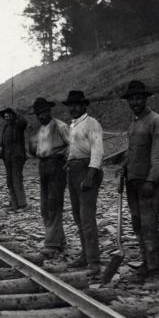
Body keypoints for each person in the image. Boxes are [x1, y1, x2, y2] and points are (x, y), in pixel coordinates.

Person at [118, 81, 159, 286]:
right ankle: (146, 263)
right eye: (132, 99)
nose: (135, 102)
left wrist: (151, 180)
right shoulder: (134, 123)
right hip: (133, 182)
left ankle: (155, 270)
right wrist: (124, 167)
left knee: (149, 225)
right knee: (138, 225)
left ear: (145, 99)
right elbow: (134, 152)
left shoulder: (156, 121)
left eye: (139, 98)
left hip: (149, 183)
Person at [63, 91, 104, 275]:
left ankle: (94, 262)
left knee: (87, 218)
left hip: (87, 171)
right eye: (70, 105)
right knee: (78, 216)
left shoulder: (91, 123)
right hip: (74, 171)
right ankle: (85, 255)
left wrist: (90, 175)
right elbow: (76, 149)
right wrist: (69, 161)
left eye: (76, 105)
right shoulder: (74, 125)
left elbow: (97, 150)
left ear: (84, 106)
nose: (73, 108)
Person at [29, 97, 70, 258]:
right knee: (45, 206)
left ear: (49, 111)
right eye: (38, 114)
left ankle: (51, 245)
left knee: (54, 204)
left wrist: (65, 161)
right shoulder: (40, 130)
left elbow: (72, 144)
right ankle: (60, 241)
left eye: (43, 112)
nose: (41, 116)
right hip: (43, 166)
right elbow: (36, 150)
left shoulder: (60, 126)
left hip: (56, 165)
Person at [0, 107, 28, 212]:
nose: (6, 117)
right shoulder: (6, 127)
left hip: (17, 157)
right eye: (5, 116)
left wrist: (16, 112)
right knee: (9, 181)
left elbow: (24, 122)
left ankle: (22, 204)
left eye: (9, 115)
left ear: (13, 116)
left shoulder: (18, 125)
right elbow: (3, 143)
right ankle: (14, 204)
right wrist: (0, 154)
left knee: (16, 179)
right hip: (7, 158)